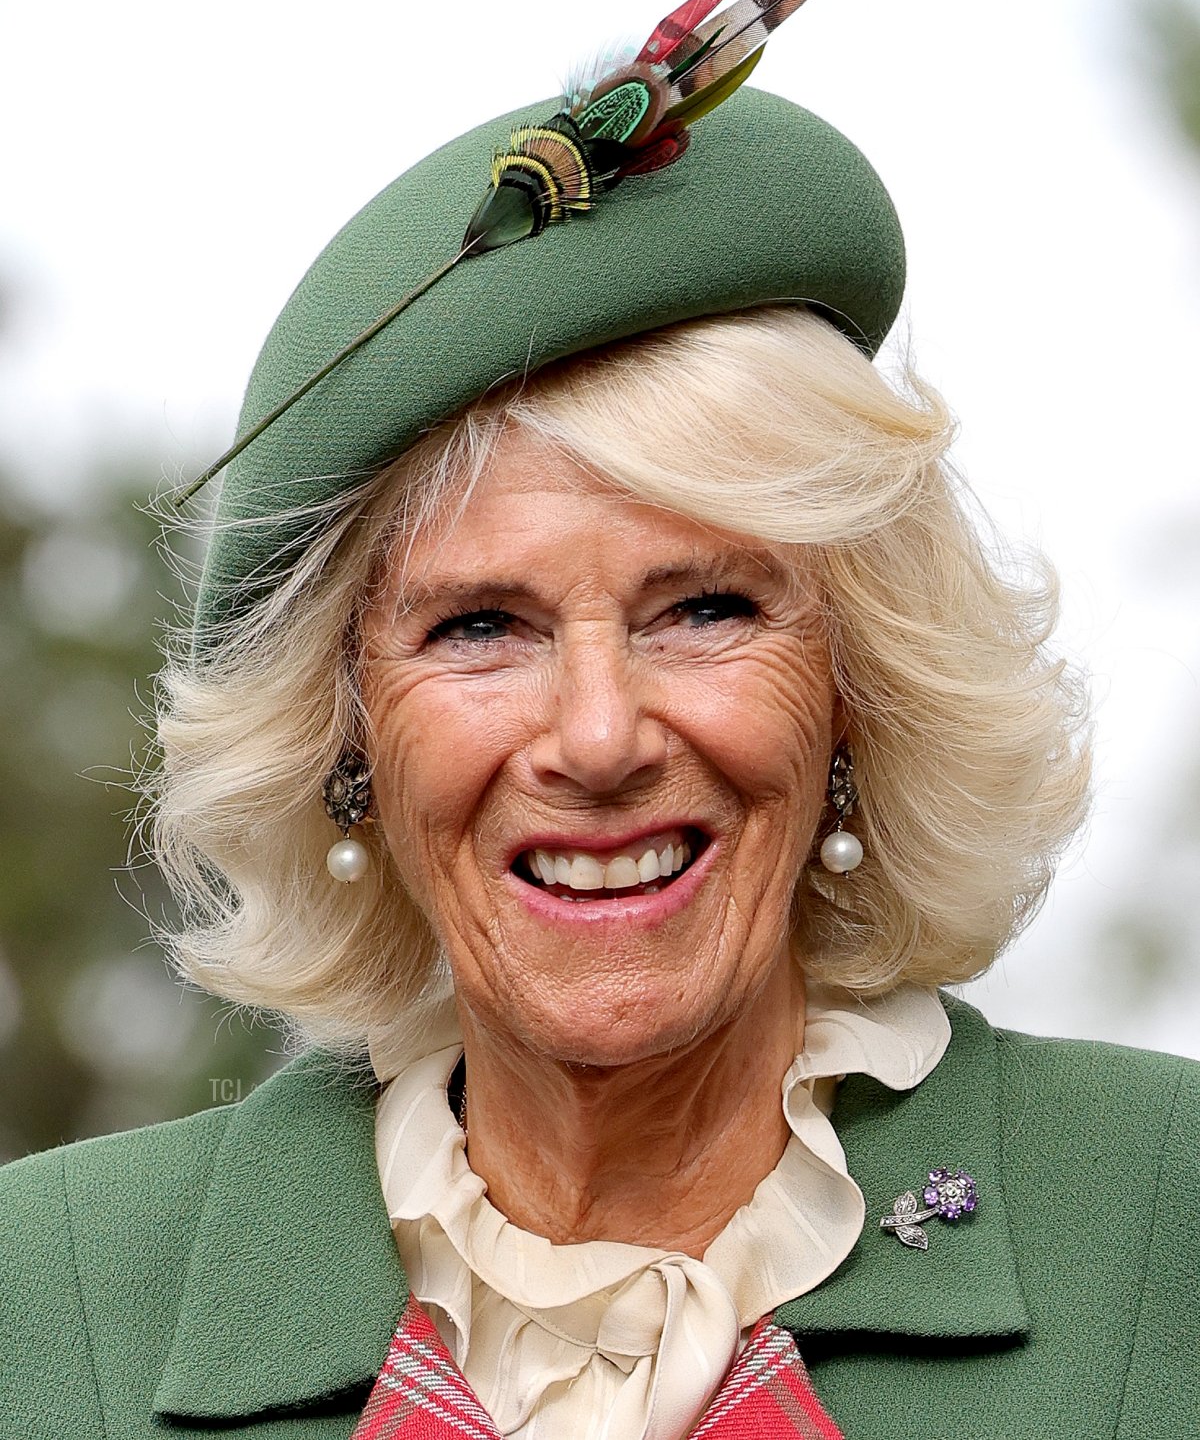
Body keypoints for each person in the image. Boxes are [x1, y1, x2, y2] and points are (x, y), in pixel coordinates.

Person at [1, 75, 1196, 1440]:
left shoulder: (1168, 1230)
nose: (597, 736)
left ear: (856, 691)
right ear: (345, 735)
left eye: (704, 610)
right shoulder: (43, 1311)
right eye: (479, 628)